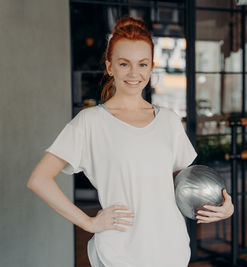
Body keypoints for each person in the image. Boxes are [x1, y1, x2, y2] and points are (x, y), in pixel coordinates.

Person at [26, 16, 234, 267]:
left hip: (171, 251)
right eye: (124, 64)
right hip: (119, 255)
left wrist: (222, 206)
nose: (134, 73)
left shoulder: (168, 120)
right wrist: (89, 222)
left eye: (142, 64)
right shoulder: (90, 122)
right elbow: (39, 180)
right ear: (109, 66)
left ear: (151, 67)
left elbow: (183, 185)